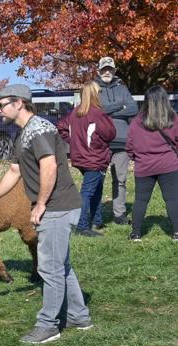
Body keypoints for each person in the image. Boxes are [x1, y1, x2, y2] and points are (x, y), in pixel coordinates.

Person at [0, 84, 91, 344]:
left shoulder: (38, 130)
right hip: (54, 205)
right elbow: (15, 172)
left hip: (57, 207)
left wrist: (40, 205)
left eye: (2, 104)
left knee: (49, 267)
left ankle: (48, 325)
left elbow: (49, 167)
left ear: (19, 103)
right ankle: (79, 316)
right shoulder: (23, 133)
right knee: (61, 265)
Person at [57, 81, 116, 237]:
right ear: (94, 94)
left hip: (82, 157)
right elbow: (110, 134)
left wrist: (74, 143)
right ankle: (82, 226)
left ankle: (97, 220)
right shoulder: (98, 113)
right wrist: (81, 142)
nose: (101, 95)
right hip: (94, 158)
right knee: (88, 191)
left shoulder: (76, 112)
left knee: (96, 188)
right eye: (99, 92)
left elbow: (61, 126)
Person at [125, 85, 178, 242]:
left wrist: (139, 158)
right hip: (169, 165)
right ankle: (176, 232)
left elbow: (129, 147)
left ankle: (136, 233)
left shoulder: (136, 122)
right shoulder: (173, 119)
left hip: (144, 166)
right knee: (173, 199)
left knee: (141, 200)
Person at [94, 57, 139, 225]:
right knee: (97, 180)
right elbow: (94, 111)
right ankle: (95, 215)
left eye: (110, 69)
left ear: (114, 70)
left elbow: (133, 108)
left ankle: (119, 214)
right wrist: (120, 108)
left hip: (121, 143)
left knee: (120, 180)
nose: (107, 72)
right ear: (98, 70)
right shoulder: (93, 89)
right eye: (104, 69)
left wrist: (108, 112)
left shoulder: (122, 89)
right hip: (101, 143)